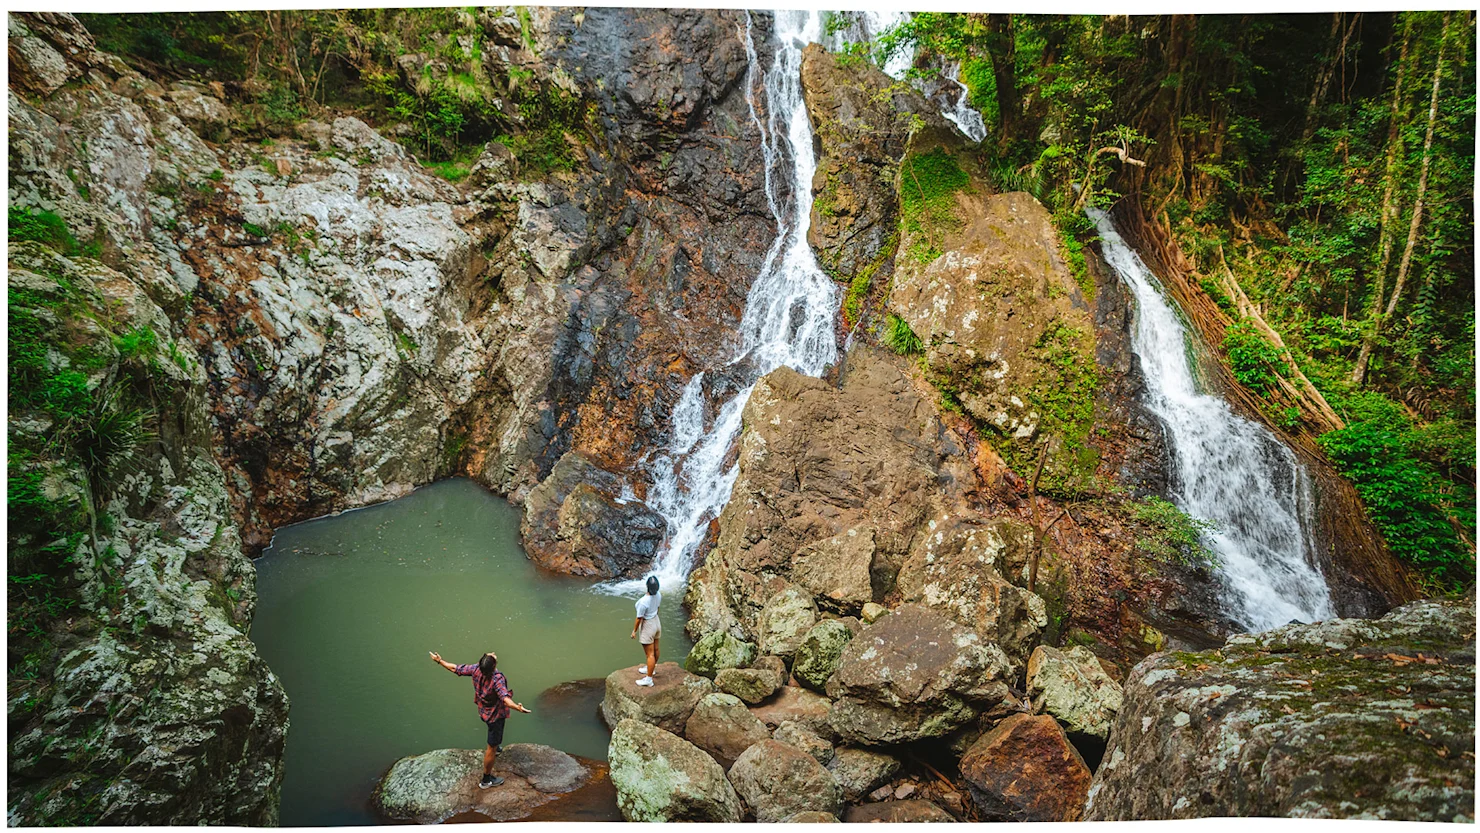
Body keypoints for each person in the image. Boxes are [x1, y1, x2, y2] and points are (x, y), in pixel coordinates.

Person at [429, 649, 531, 788]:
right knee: (491, 747)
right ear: (493, 667)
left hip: (483, 710)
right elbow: (505, 698)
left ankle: (497, 747)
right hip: (494, 715)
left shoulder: (476, 669)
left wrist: (439, 661)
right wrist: (517, 707)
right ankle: (486, 780)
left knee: (493, 735)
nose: (493, 653)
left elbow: (455, 668)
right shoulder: (496, 679)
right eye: (491, 656)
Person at [631, 575, 661, 687]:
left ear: (647, 586)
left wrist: (634, 631)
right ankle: (651, 668)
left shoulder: (643, 602)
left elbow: (639, 618)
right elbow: (658, 608)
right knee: (656, 649)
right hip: (656, 622)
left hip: (648, 625)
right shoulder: (659, 595)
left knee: (650, 654)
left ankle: (649, 679)